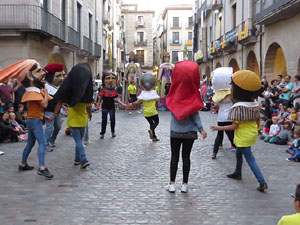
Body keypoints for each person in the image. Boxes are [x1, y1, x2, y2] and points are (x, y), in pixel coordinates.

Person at [211, 70, 268, 192]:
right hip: (251, 133)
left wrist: (218, 128)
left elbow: (234, 126)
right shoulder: (254, 104)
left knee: (250, 158)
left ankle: (262, 181)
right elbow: (258, 120)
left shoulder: (237, 107)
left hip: (243, 136)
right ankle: (237, 172)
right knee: (238, 152)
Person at [0, 59, 54, 179]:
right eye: (39, 71)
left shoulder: (33, 91)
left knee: (30, 143)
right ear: (30, 76)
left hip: (32, 119)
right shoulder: (33, 92)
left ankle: (23, 164)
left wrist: (44, 115)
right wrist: (45, 92)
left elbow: (37, 107)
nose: (43, 72)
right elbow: (44, 104)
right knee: (42, 143)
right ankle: (42, 168)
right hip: (34, 120)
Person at [166, 60, 207, 193]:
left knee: (174, 157)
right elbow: (195, 116)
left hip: (176, 131)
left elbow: (171, 107)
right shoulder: (193, 95)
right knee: (186, 158)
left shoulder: (174, 95)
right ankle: (184, 184)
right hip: (190, 132)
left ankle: (172, 184)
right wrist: (201, 129)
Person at [51, 63, 94, 169]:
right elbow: (89, 108)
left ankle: (82, 159)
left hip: (73, 121)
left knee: (78, 141)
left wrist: (53, 116)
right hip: (83, 121)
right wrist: (90, 115)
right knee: (79, 140)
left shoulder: (70, 94)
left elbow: (59, 103)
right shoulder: (86, 96)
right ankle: (78, 159)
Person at [211, 67, 235, 159]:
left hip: (220, 118)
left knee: (219, 135)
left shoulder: (218, 96)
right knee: (231, 134)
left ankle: (214, 153)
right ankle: (236, 147)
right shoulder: (230, 95)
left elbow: (216, 106)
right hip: (229, 117)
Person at [130, 73, 160, 141]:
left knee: (151, 123)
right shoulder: (154, 94)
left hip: (146, 113)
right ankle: (151, 130)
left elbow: (136, 102)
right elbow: (158, 100)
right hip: (153, 112)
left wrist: (131, 104)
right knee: (156, 122)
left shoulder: (142, 96)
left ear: (142, 86)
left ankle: (154, 137)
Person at [96, 72, 126, 139]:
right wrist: (97, 105)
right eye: (108, 78)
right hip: (104, 107)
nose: (111, 80)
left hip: (112, 107)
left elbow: (117, 98)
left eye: (113, 78)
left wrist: (122, 104)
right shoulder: (103, 90)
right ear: (104, 80)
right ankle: (102, 133)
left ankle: (113, 132)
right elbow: (99, 98)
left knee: (112, 120)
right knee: (104, 120)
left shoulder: (114, 91)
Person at [43, 63, 65, 152]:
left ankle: (52, 140)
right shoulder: (45, 87)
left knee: (58, 126)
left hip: (57, 110)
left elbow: (59, 100)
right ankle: (46, 144)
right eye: (58, 76)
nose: (61, 78)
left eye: (62, 75)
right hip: (48, 110)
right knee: (49, 127)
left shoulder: (60, 87)